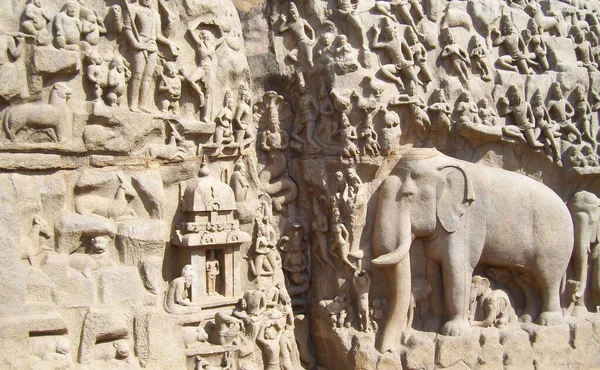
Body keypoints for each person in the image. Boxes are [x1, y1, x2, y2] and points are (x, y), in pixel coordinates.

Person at [120, 0, 179, 112]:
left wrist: (170, 43)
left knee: (147, 77)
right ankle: (133, 104)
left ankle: (143, 104)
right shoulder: (133, 8)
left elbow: (158, 35)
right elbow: (127, 28)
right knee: (137, 75)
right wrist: (135, 44)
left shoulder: (155, 14)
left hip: (152, 47)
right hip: (140, 44)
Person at [370, 17, 421, 90]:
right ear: (386, 34)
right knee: (383, 69)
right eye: (388, 32)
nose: (390, 33)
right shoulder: (386, 43)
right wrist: (377, 34)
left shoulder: (400, 39)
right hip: (395, 65)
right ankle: (397, 80)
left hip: (404, 64)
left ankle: (413, 95)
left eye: (391, 31)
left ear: (394, 31)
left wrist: (411, 61)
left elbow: (407, 50)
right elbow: (374, 45)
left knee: (415, 81)